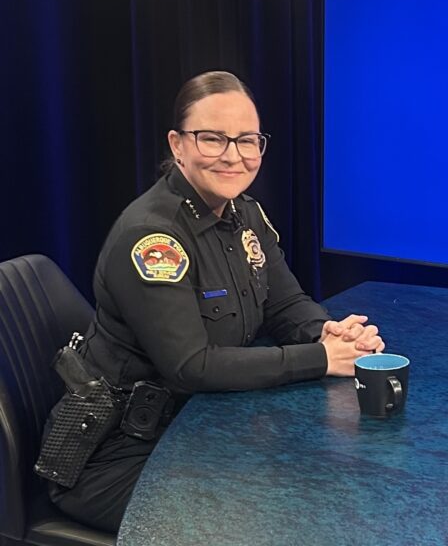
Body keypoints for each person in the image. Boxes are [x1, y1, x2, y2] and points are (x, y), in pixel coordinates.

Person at [41, 71, 385, 532]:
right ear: (177, 145)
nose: (233, 156)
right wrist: (322, 359)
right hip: (121, 456)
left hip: (198, 431)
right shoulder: (152, 238)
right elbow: (191, 366)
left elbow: (285, 304)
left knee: (328, 486)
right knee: (275, 520)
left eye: (247, 141)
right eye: (211, 139)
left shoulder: (244, 213)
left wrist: (327, 331)